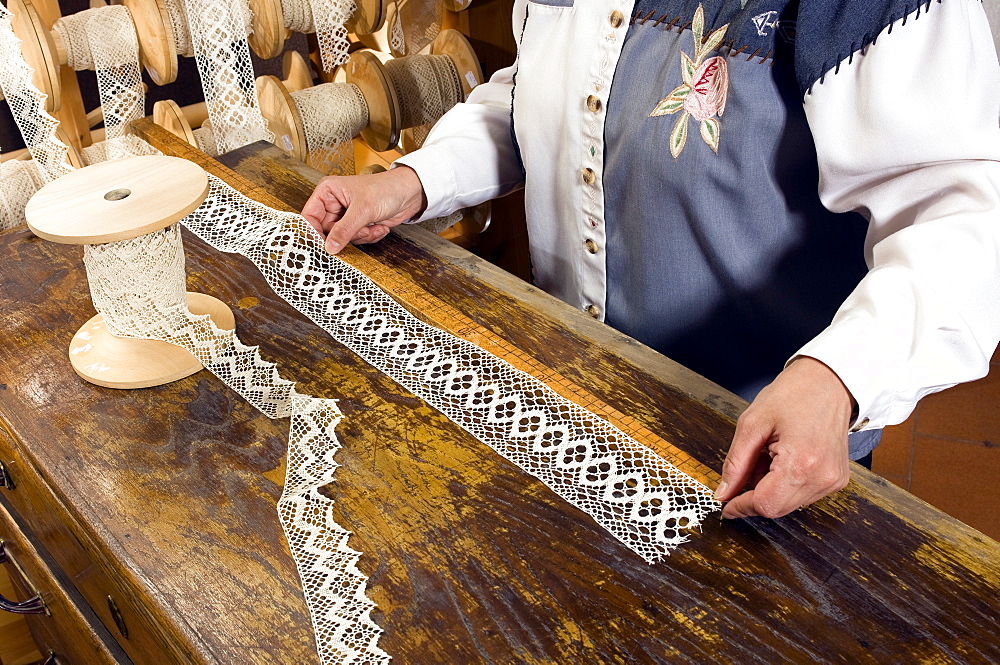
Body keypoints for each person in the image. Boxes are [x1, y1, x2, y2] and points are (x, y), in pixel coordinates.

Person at [303, 0, 1000, 520]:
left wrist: (838, 378)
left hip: (762, 469)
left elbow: (967, 214)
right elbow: (543, 92)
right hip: (576, 414)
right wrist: (414, 181)